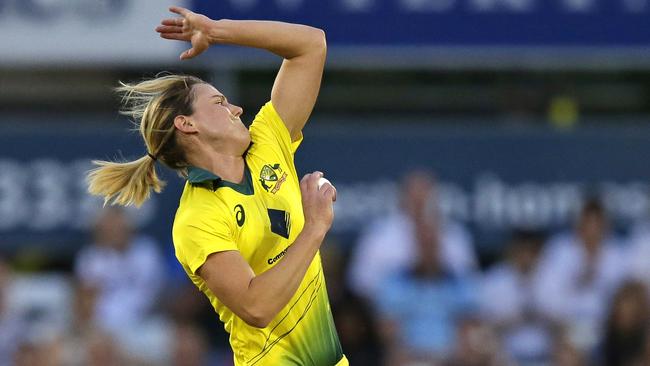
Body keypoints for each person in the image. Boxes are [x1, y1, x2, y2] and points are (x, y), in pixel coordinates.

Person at [87, 6, 346, 366]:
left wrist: (217, 31)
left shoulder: (268, 141)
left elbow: (311, 45)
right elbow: (257, 307)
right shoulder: (197, 218)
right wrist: (315, 228)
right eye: (220, 102)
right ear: (187, 124)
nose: (237, 108)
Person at [347, 169, 477, 301]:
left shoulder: (454, 234)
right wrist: (397, 290)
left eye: (426, 195)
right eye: (414, 195)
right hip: (392, 309)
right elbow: (359, 281)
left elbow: (470, 283)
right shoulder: (379, 234)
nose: (420, 201)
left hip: (446, 308)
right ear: (402, 197)